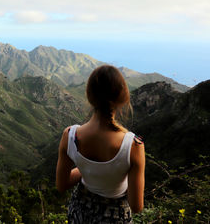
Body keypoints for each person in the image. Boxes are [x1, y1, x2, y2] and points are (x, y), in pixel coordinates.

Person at [56, 65, 145, 223]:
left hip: (80, 212)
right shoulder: (132, 145)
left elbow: (62, 185)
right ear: (123, 98)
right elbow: (136, 205)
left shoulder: (70, 135)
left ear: (89, 96)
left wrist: (88, 169)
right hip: (115, 216)